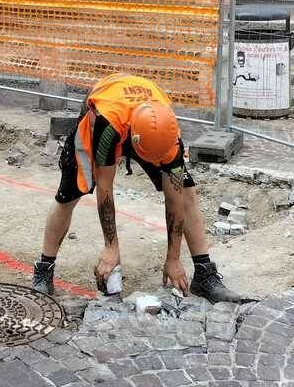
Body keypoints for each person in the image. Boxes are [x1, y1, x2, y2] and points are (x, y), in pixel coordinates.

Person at [31, 73, 243, 303]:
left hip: (145, 127)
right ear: (135, 141)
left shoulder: (169, 133)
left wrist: (173, 258)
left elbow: (176, 199)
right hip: (102, 116)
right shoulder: (107, 125)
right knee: (69, 194)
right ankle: (44, 269)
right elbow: (105, 189)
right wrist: (111, 247)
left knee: (186, 191)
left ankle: (204, 273)